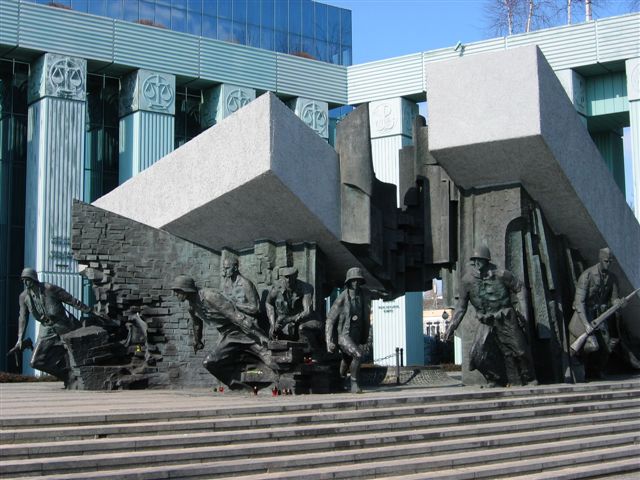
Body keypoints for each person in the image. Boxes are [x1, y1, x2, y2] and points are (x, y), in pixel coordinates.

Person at [444, 245, 537, 387]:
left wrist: (523, 311)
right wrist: (451, 326)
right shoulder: (467, 281)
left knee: (520, 350)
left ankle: (529, 378)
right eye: (474, 260)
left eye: (480, 259)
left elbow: (519, 288)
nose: (477, 263)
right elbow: (461, 307)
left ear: (487, 260)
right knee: (477, 355)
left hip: (506, 317)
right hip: (486, 321)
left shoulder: (502, 274)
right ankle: (495, 378)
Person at [172, 261, 273, 390]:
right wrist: (197, 340)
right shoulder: (191, 305)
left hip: (241, 331)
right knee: (210, 363)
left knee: (269, 357)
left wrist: (259, 335)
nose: (176, 294)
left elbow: (235, 315)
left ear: (186, 289)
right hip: (227, 335)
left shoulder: (210, 296)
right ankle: (239, 386)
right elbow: (196, 323)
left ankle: (280, 381)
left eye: (177, 291)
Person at [14, 267, 91, 381]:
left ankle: (78, 376)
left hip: (63, 326)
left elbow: (72, 300)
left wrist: (90, 311)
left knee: (77, 354)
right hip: (46, 328)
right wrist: (20, 338)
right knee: (35, 362)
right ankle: (67, 376)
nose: (25, 282)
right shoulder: (24, 297)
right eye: (23, 280)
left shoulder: (49, 288)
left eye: (27, 279)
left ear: (34, 279)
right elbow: (22, 318)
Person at [568, 247, 623, 381]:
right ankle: (581, 372)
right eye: (606, 261)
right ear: (600, 259)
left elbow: (613, 299)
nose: (608, 264)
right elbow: (579, 302)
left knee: (607, 346)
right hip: (585, 317)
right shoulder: (587, 275)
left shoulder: (612, 278)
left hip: (601, 317)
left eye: (610, 261)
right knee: (589, 346)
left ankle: (595, 373)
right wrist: (586, 324)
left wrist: (619, 303)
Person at [326, 267, 371, 393]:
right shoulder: (342, 298)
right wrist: (329, 341)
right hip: (343, 335)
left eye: (358, 280)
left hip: (356, 334)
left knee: (346, 359)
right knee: (358, 355)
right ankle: (354, 384)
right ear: (349, 282)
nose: (356, 283)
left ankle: (339, 381)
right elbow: (330, 319)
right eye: (353, 281)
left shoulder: (363, 296)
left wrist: (365, 334)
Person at [265, 267, 323, 353]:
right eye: (286, 277)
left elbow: (307, 311)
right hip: (283, 320)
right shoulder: (276, 289)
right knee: (274, 332)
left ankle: (312, 353)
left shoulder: (306, 288)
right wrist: (272, 323)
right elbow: (268, 303)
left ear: (296, 276)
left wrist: (289, 319)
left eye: (291, 277)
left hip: (303, 319)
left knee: (302, 329)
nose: (288, 280)